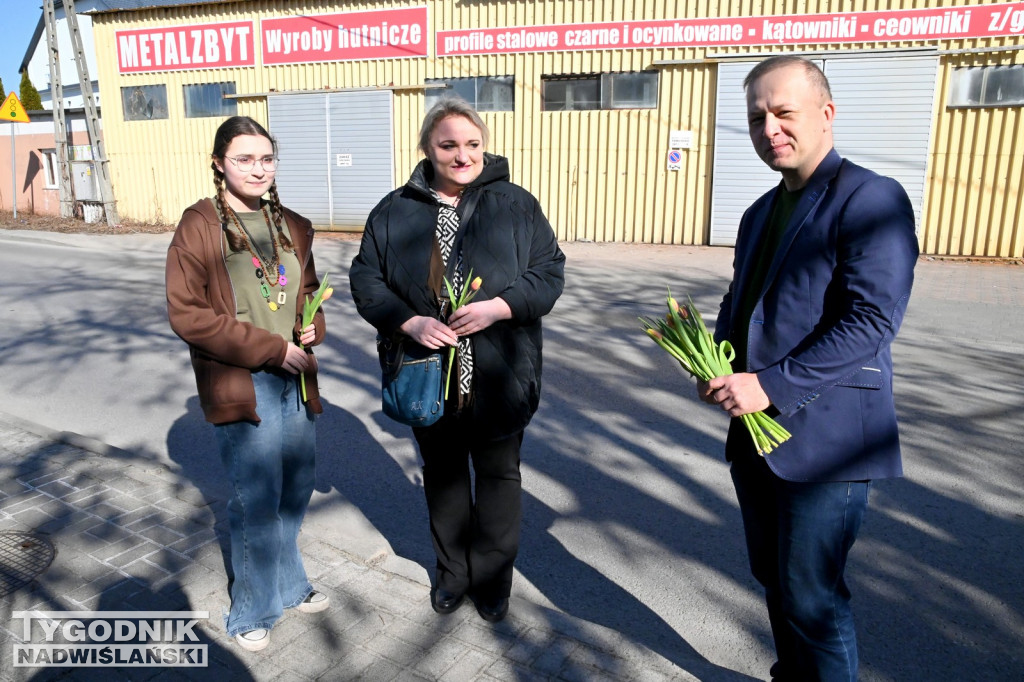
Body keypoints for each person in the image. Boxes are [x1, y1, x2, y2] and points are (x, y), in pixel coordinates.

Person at [697, 56, 918, 681]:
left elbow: (872, 320)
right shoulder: (760, 213)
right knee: (776, 580)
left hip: (829, 440)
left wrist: (768, 385)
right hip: (756, 437)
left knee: (813, 596)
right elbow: (741, 303)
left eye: (784, 112)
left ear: (826, 113)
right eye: (757, 117)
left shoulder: (871, 198)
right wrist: (718, 360)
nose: (770, 128)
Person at [349, 97, 564, 623]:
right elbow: (365, 278)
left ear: (483, 146)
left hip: (500, 371)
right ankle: (452, 575)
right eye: (448, 145)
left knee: (497, 479)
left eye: (471, 144)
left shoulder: (514, 204)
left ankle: (492, 583)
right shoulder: (395, 209)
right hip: (428, 372)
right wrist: (408, 322)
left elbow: (549, 272)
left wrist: (499, 307)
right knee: (443, 477)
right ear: (427, 149)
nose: (462, 155)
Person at [166, 115, 330, 652]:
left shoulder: (292, 223)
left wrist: (311, 326)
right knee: (256, 499)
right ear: (219, 163)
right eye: (244, 159)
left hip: (296, 379)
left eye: (266, 158)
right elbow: (188, 315)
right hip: (246, 382)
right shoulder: (199, 225)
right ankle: (250, 611)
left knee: (295, 490)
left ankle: (290, 583)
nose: (258, 169)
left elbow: (305, 287)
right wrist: (271, 349)